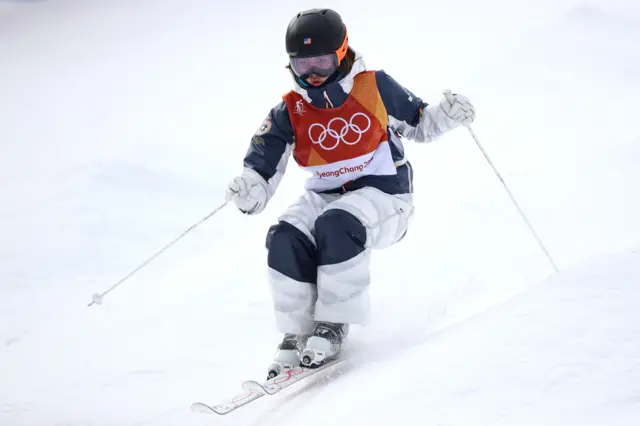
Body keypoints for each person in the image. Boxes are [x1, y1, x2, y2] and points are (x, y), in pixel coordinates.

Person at [225, 8, 476, 378]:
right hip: (326, 196)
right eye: (302, 64)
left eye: (323, 62)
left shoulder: (373, 86)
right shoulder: (290, 109)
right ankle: (297, 330)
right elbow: (263, 164)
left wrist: (448, 115)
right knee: (285, 236)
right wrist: (251, 188)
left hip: (385, 196)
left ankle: (334, 324)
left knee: (337, 224)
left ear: (342, 53)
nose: (312, 74)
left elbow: (420, 123)